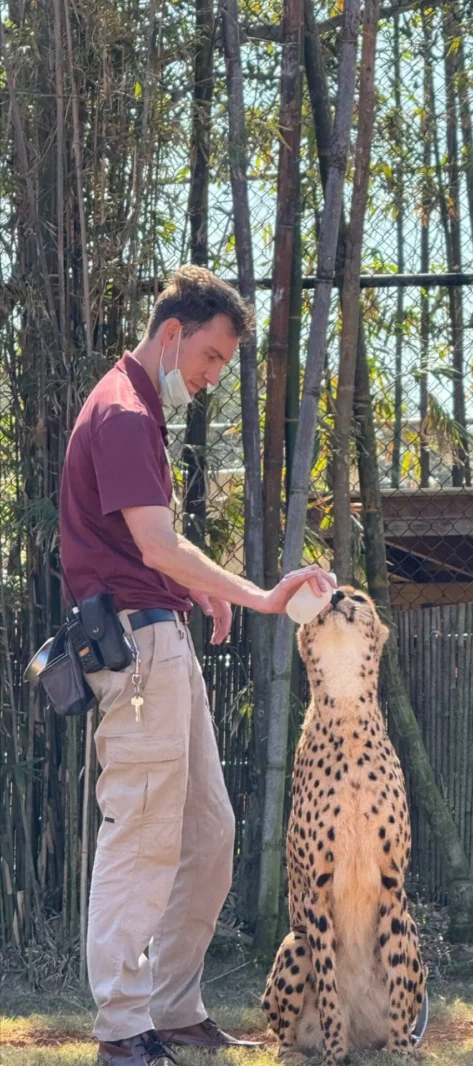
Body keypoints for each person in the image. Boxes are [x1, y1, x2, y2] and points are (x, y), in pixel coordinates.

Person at [58, 265, 335, 1066]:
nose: (214, 376)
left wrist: (195, 592)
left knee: (208, 832)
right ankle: (122, 1028)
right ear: (172, 333)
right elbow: (155, 545)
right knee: (141, 836)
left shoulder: (137, 408)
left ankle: (172, 1007)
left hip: (159, 636)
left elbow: (151, 552)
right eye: (212, 357)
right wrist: (254, 596)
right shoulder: (121, 413)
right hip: (138, 654)